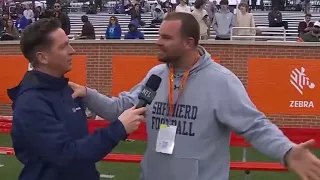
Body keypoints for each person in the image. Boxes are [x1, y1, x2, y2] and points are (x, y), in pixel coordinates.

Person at [69, 12, 320, 180]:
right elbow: (119, 109)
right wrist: (87, 94)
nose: (158, 42)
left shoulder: (221, 81)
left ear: (189, 43)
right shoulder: (156, 75)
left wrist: (287, 151)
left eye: (166, 38)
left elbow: (256, 126)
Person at [7, 18, 147, 180]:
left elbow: (82, 148)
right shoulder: (31, 103)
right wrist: (119, 128)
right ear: (43, 57)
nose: (72, 50)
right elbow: (67, 155)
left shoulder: (68, 91)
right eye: (63, 46)